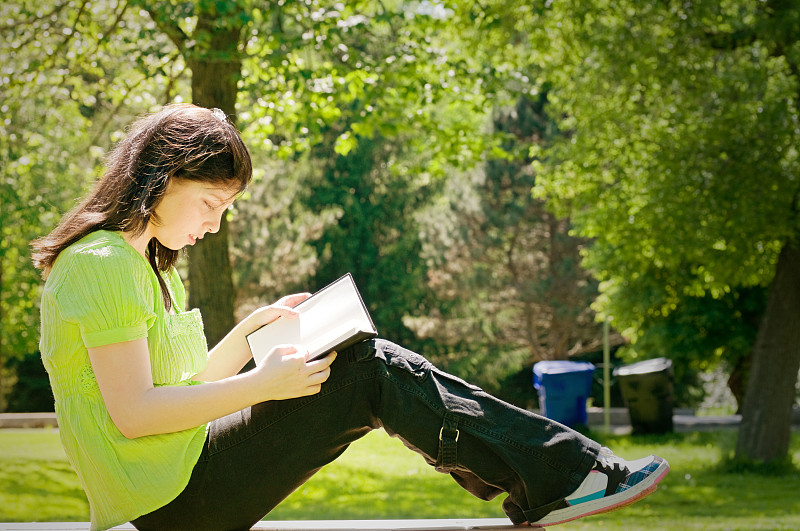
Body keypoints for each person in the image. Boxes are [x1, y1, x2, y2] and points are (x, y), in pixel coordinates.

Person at [32, 103, 669, 531]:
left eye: (223, 209)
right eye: (208, 203)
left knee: (365, 365)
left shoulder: (138, 263)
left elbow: (184, 387)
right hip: (171, 501)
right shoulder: (102, 264)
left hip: (175, 481)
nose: (212, 224)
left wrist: (254, 328)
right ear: (162, 177)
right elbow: (136, 413)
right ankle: (568, 475)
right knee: (365, 368)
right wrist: (262, 385)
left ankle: (560, 477)